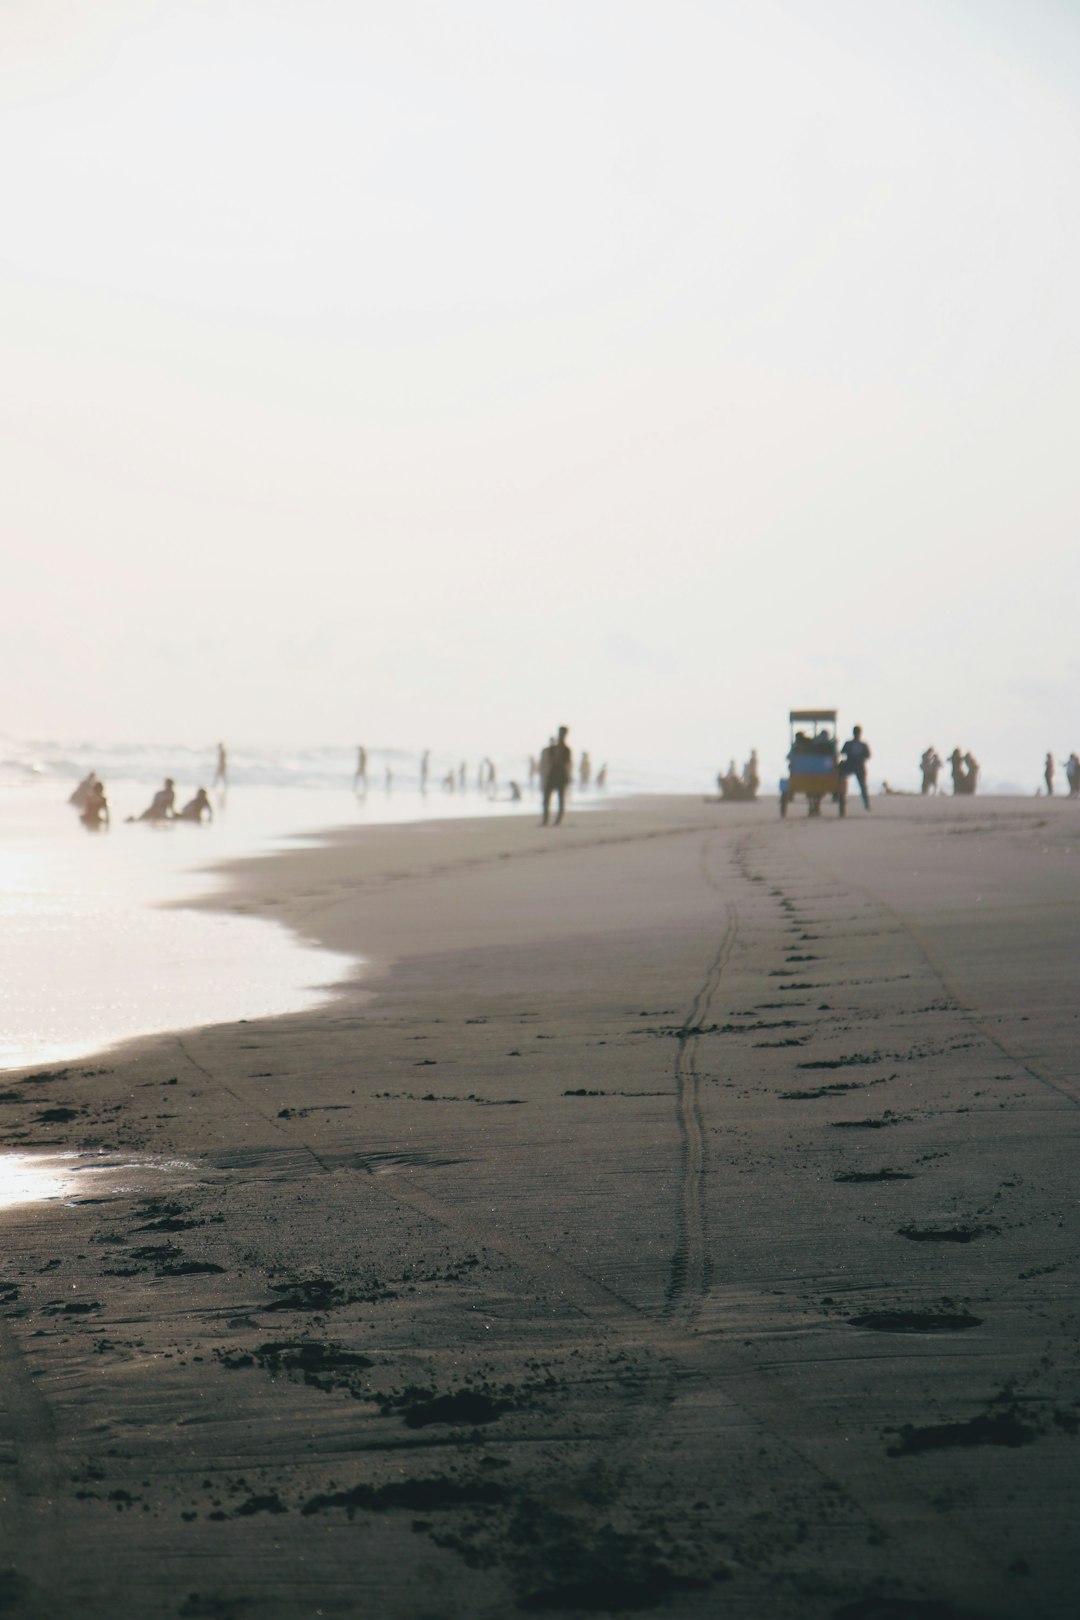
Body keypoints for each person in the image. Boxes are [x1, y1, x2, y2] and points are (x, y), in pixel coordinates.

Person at [540, 726, 572, 826]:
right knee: (546, 799)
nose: (561, 735)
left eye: (562, 733)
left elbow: (567, 764)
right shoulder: (552, 748)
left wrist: (569, 777)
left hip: (561, 776)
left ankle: (557, 821)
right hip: (552, 775)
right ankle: (545, 820)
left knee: (560, 800)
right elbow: (548, 761)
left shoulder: (566, 750)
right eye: (560, 733)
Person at [839, 725, 871, 810]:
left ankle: (840, 797)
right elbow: (868, 755)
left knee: (841, 780)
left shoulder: (849, 743)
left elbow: (842, 752)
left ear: (853, 733)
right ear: (860, 733)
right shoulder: (863, 744)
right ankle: (866, 804)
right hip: (860, 766)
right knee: (863, 787)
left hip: (850, 765)